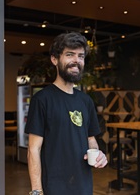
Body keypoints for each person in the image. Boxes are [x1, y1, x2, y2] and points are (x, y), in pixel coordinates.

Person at [25, 32, 108, 195]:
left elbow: (91, 139)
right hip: (54, 188)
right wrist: (36, 191)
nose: (76, 60)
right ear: (55, 59)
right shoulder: (42, 99)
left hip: (83, 187)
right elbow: (33, 149)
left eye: (81, 56)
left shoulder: (86, 101)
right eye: (70, 54)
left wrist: (98, 154)